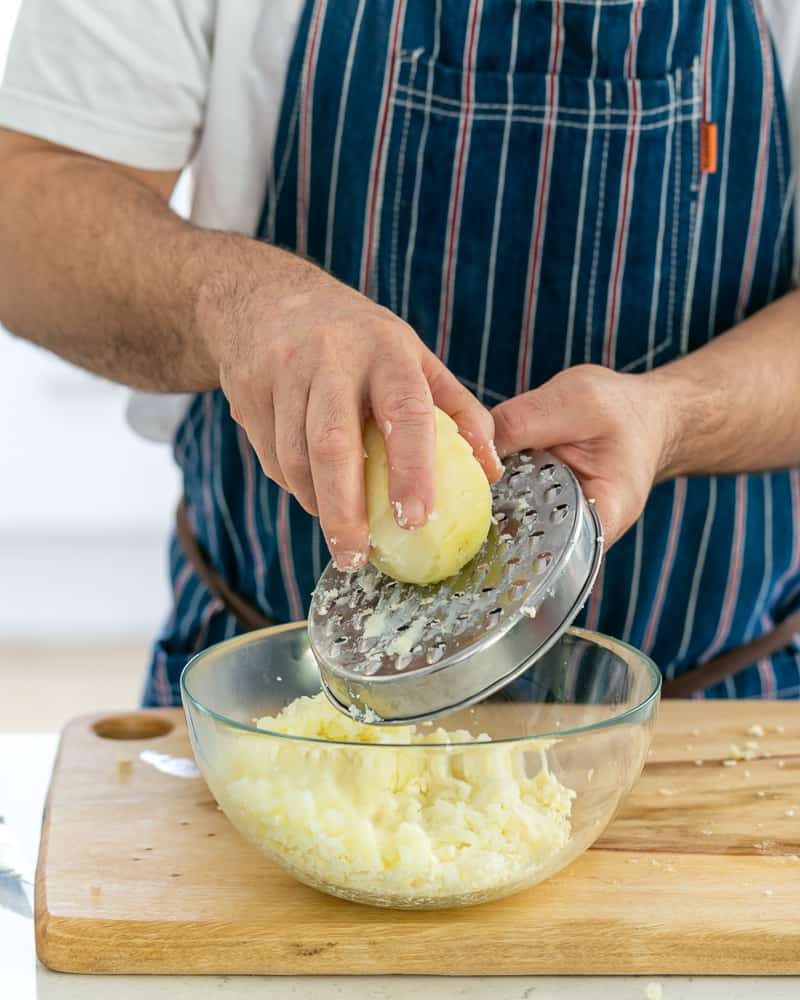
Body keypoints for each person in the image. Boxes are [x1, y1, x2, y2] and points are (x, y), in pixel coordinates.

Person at [1, 0, 799, 704]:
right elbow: (24, 219)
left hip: (713, 715)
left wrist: (678, 416)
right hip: (279, 715)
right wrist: (239, 301)